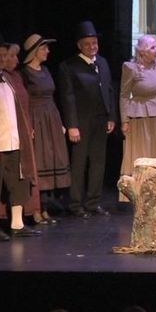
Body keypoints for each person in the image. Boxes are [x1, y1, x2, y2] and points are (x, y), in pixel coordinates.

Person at [58, 21, 115, 218]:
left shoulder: (102, 63)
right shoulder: (69, 67)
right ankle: (75, 203)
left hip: (100, 120)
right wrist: (72, 125)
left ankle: (93, 202)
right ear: (79, 45)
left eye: (95, 43)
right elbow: (68, 98)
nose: (92, 47)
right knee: (79, 163)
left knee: (98, 162)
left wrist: (111, 116)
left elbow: (109, 90)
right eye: (88, 44)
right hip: (81, 121)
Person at [0, 36, 38, 240]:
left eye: (5, 55)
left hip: (14, 140)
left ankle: (17, 224)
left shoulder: (7, 79)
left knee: (18, 183)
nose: (3, 59)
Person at [119, 35, 156, 205]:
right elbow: (124, 95)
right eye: (152, 48)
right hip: (141, 118)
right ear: (142, 51)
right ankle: (141, 194)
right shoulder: (131, 68)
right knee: (143, 154)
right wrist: (124, 120)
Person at [21, 33, 70, 221]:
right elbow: (24, 101)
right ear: (35, 51)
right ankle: (36, 208)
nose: (47, 51)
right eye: (44, 48)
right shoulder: (25, 73)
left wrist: (60, 123)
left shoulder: (46, 70)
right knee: (40, 161)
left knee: (51, 160)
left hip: (51, 117)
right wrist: (28, 125)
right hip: (36, 118)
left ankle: (46, 207)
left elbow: (52, 96)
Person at [3, 42, 45, 226]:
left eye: (16, 56)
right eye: (11, 56)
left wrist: (29, 125)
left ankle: (26, 215)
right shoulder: (2, 78)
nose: (16, 60)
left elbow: (24, 104)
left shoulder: (17, 76)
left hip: (23, 131)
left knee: (26, 173)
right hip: (8, 133)